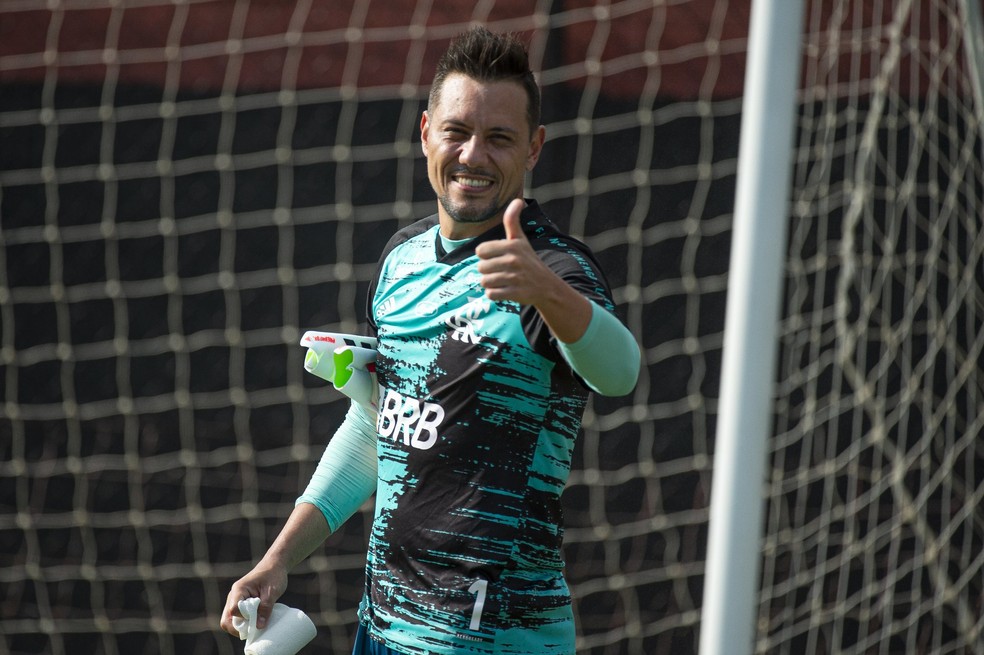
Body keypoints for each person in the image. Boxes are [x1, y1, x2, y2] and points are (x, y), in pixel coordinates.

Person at [220, 26, 641, 655]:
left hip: (496, 638)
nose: (473, 155)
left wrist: (547, 295)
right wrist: (279, 559)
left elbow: (621, 371)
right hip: (383, 623)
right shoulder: (400, 261)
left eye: (499, 138)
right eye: (457, 131)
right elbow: (376, 425)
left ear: (534, 148)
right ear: (425, 134)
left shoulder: (551, 270)